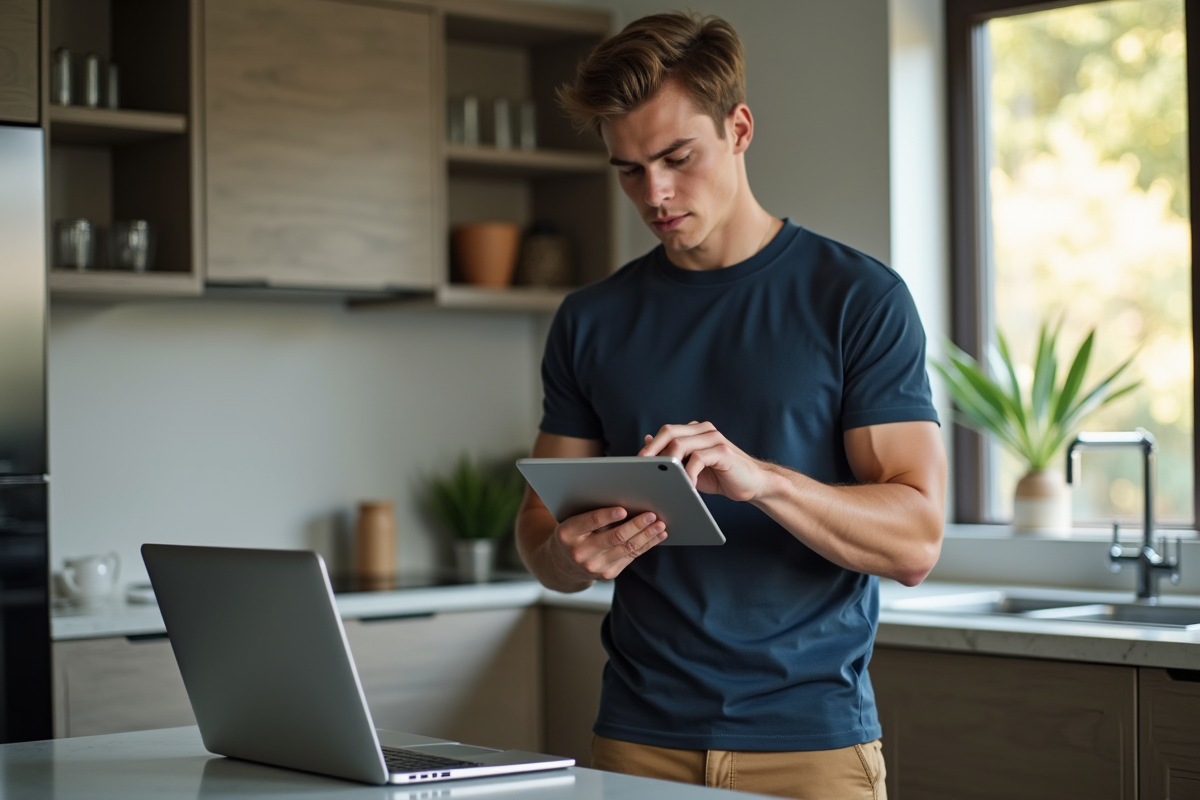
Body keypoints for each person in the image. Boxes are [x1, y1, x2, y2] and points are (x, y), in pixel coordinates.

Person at [514, 12, 947, 800]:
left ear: (739, 128)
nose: (656, 193)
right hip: (634, 739)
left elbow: (917, 541)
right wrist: (569, 559)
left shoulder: (857, 299)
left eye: (678, 158)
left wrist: (766, 482)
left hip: (811, 747)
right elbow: (540, 537)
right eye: (628, 169)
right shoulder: (591, 319)